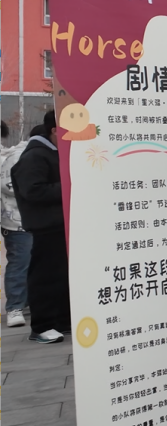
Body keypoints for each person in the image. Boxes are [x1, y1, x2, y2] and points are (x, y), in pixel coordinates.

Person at [12, 117, 71, 344]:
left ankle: (62, 321)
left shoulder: (52, 152)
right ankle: (42, 326)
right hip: (46, 226)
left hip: (60, 225)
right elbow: (33, 191)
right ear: (55, 130)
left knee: (62, 276)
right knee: (45, 277)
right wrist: (69, 185)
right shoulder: (35, 155)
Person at [2, 121, 33, 328]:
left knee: (31, 262)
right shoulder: (16, 157)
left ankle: (25, 300)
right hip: (16, 221)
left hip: (30, 219)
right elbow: (8, 185)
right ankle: (14, 306)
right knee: (20, 263)